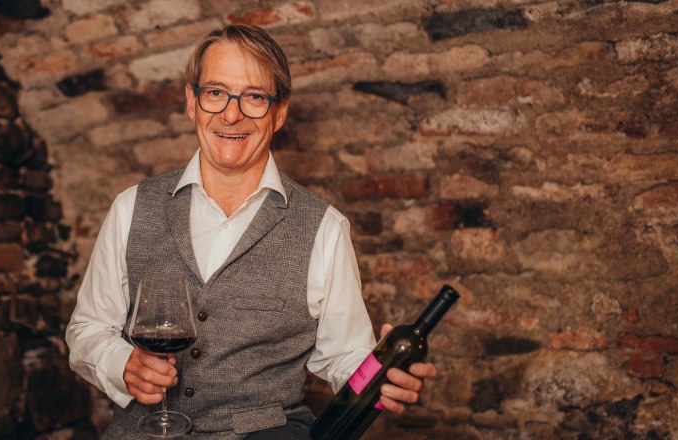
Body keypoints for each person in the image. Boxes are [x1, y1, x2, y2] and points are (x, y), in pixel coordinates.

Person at [66, 24, 437, 439]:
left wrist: (381, 376)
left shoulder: (325, 229)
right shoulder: (131, 207)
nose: (231, 114)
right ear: (192, 102)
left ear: (280, 112)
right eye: (215, 93)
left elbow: (344, 357)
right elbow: (87, 330)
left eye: (255, 97)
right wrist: (123, 364)